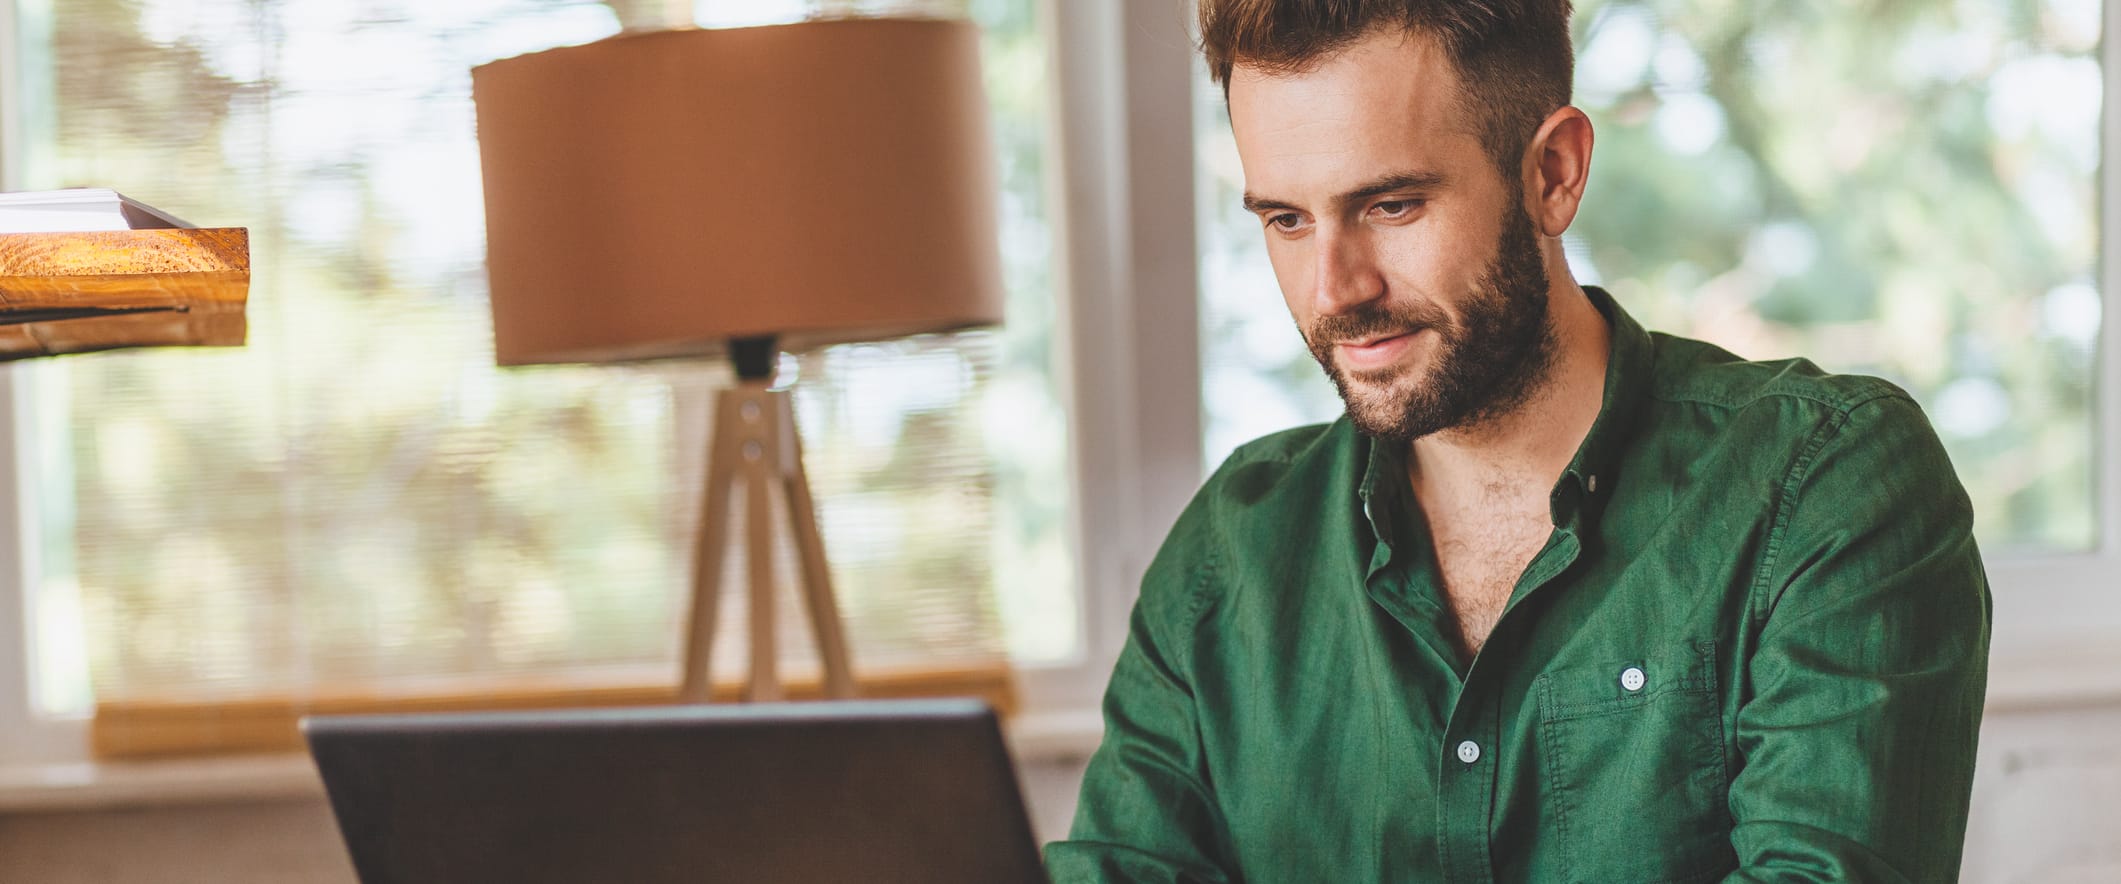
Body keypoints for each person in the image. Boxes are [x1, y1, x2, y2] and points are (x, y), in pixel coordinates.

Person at [1042, 1, 1992, 881]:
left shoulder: (1823, 484)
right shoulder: (1229, 557)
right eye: (1286, 220)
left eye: (1390, 205)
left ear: (1552, 173)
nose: (1333, 289)